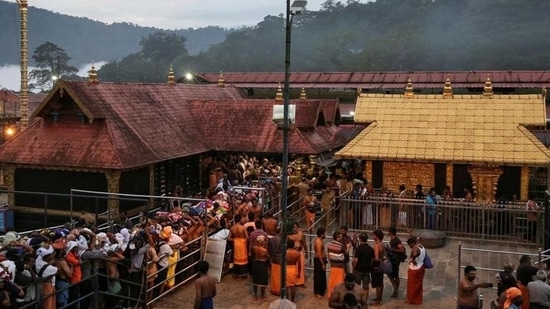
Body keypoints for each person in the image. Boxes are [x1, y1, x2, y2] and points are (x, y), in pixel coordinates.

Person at [352, 233, 373, 301]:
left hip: (358, 270)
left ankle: (357, 299)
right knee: (366, 287)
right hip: (366, 270)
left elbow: (356, 260)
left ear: (360, 239)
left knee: (357, 286)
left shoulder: (358, 249)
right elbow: (372, 260)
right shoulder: (370, 249)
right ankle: (365, 300)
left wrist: (353, 268)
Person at [228, 214, 249, 281]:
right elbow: (247, 237)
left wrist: (235, 240)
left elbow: (228, 238)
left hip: (236, 244)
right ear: (240, 219)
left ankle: (237, 275)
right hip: (242, 244)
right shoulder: (243, 228)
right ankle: (242, 274)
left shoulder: (232, 228)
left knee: (237, 260)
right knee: (242, 260)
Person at [386, 226, 405, 298]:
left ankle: (396, 290)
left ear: (390, 232)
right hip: (393, 259)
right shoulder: (393, 239)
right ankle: (395, 290)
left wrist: (392, 249)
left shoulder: (396, 240)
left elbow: (402, 250)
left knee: (394, 275)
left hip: (396, 260)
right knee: (393, 274)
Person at [406, 237, 426, 305]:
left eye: (410, 245)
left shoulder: (415, 248)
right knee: (418, 287)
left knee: (412, 287)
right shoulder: (421, 246)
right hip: (421, 267)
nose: (410, 247)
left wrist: (413, 259)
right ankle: (418, 300)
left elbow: (415, 254)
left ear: (412, 243)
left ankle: (411, 300)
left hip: (415, 270)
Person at [327, 231, 346, 299]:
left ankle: (330, 295)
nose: (341, 238)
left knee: (332, 280)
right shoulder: (341, 245)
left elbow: (328, 255)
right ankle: (339, 296)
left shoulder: (329, 244)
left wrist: (331, 262)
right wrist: (349, 246)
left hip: (332, 265)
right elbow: (345, 254)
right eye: (340, 237)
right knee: (340, 282)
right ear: (337, 238)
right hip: (339, 266)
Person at [370, 229, 385, 306]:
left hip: (376, 266)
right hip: (381, 266)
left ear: (376, 236)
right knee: (380, 283)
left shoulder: (377, 245)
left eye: (374, 235)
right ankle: (379, 298)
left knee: (378, 284)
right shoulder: (382, 244)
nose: (373, 236)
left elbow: (376, 258)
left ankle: (378, 301)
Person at [314, 227, 327, 299]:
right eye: (324, 233)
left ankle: (321, 290)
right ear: (321, 234)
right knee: (318, 276)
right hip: (319, 260)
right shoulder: (318, 242)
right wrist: (322, 263)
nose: (325, 235)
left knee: (322, 276)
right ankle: (318, 292)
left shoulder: (321, 240)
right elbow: (319, 253)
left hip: (322, 259)